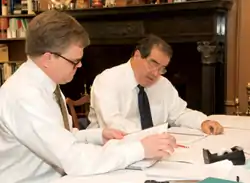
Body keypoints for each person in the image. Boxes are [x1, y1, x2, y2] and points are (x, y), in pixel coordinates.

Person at [0, 11, 177, 183]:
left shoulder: (46, 84)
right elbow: (74, 159)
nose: (79, 65)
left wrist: (98, 136)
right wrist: (140, 149)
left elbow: (62, 136)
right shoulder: (26, 96)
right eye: (74, 61)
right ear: (48, 58)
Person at [88, 34, 224, 135]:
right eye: (153, 64)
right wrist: (152, 137)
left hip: (151, 152)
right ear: (137, 55)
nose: (155, 73)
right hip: (109, 153)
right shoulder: (108, 80)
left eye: (162, 68)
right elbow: (112, 124)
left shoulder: (162, 84)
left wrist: (202, 122)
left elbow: (179, 113)